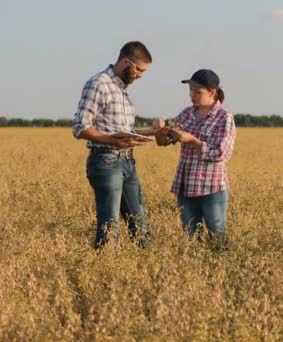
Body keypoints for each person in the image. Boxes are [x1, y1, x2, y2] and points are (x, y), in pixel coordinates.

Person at [72, 41, 158, 249]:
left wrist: (148, 134)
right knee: (110, 226)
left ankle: (146, 267)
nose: (140, 75)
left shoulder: (121, 90)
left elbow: (120, 130)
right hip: (106, 161)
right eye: (139, 69)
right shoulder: (98, 84)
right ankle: (105, 269)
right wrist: (114, 140)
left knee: (140, 224)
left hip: (127, 162)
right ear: (126, 63)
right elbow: (81, 128)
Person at [155, 69, 236, 241]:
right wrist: (160, 131)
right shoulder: (186, 114)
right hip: (185, 186)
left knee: (218, 236)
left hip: (211, 187)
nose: (192, 95)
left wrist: (192, 141)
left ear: (212, 92)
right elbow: (164, 141)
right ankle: (194, 267)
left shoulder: (224, 118)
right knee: (190, 237)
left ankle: (220, 266)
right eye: (191, 91)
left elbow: (221, 153)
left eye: (197, 92)